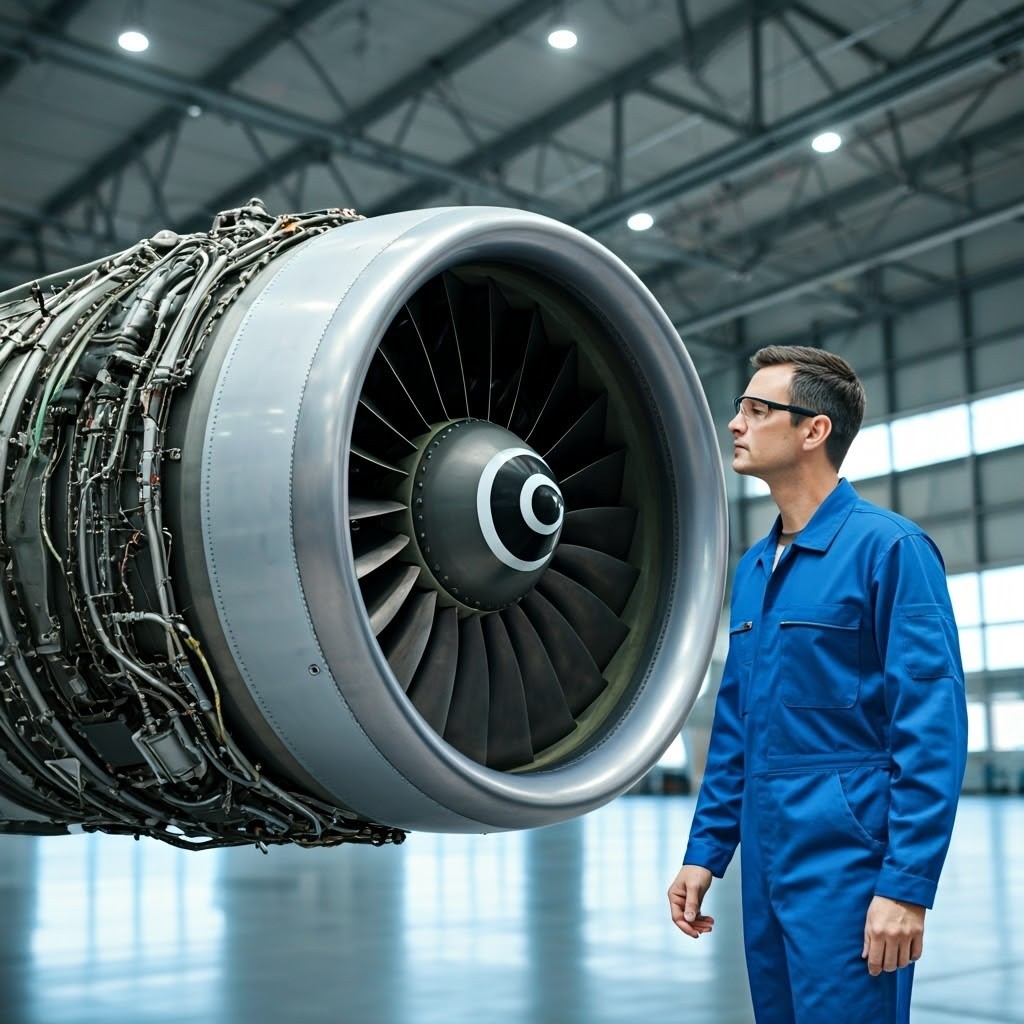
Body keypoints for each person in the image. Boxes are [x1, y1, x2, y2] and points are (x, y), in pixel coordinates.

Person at [667, 345, 967, 1024]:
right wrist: (705, 854)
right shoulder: (754, 568)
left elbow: (932, 729)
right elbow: (737, 721)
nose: (735, 424)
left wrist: (906, 885)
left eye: (755, 409)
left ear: (813, 430)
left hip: (850, 869)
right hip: (766, 864)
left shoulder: (890, 551)